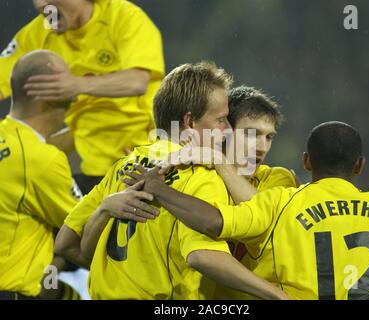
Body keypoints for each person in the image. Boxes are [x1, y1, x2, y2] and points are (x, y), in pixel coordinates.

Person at [55, 62, 288, 300]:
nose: (227, 129)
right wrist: (278, 296)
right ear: (189, 121)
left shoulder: (125, 166)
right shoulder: (199, 175)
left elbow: (65, 244)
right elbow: (203, 255)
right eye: (221, 119)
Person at [130, 121, 369, 300]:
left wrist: (159, 188)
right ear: (359, 165)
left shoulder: (281, 202)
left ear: (306, 162)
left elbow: (213, 222)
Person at [0, 0, 165, 194]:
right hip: (95, 172)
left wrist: (75, 85)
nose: (40, 3)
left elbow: (137, 82)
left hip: (148, 162)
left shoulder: (124, 17)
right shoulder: (38, 32)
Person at [0, 50, 82, 300]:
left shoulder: (12, 143)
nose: (75, 94)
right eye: (64, 83)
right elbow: (87, 235)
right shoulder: (41, 159)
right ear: (43, 94)